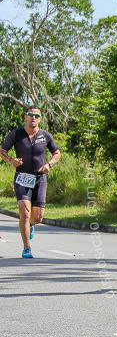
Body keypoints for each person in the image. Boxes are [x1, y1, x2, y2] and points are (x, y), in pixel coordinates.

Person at [0, 105, 61, 258]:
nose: (33, 118)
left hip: (39, 178)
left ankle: (32, 225)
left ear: (40, 119)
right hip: (22, 177)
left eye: (36, 115)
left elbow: (57, 153)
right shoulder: (16, 134)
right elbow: (2, 150)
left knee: (38, 217)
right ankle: (27, 247)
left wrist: (49, 164)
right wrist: (11, 160)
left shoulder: (45, 136)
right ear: (25, 117)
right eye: (30, 115)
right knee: (24, 210)